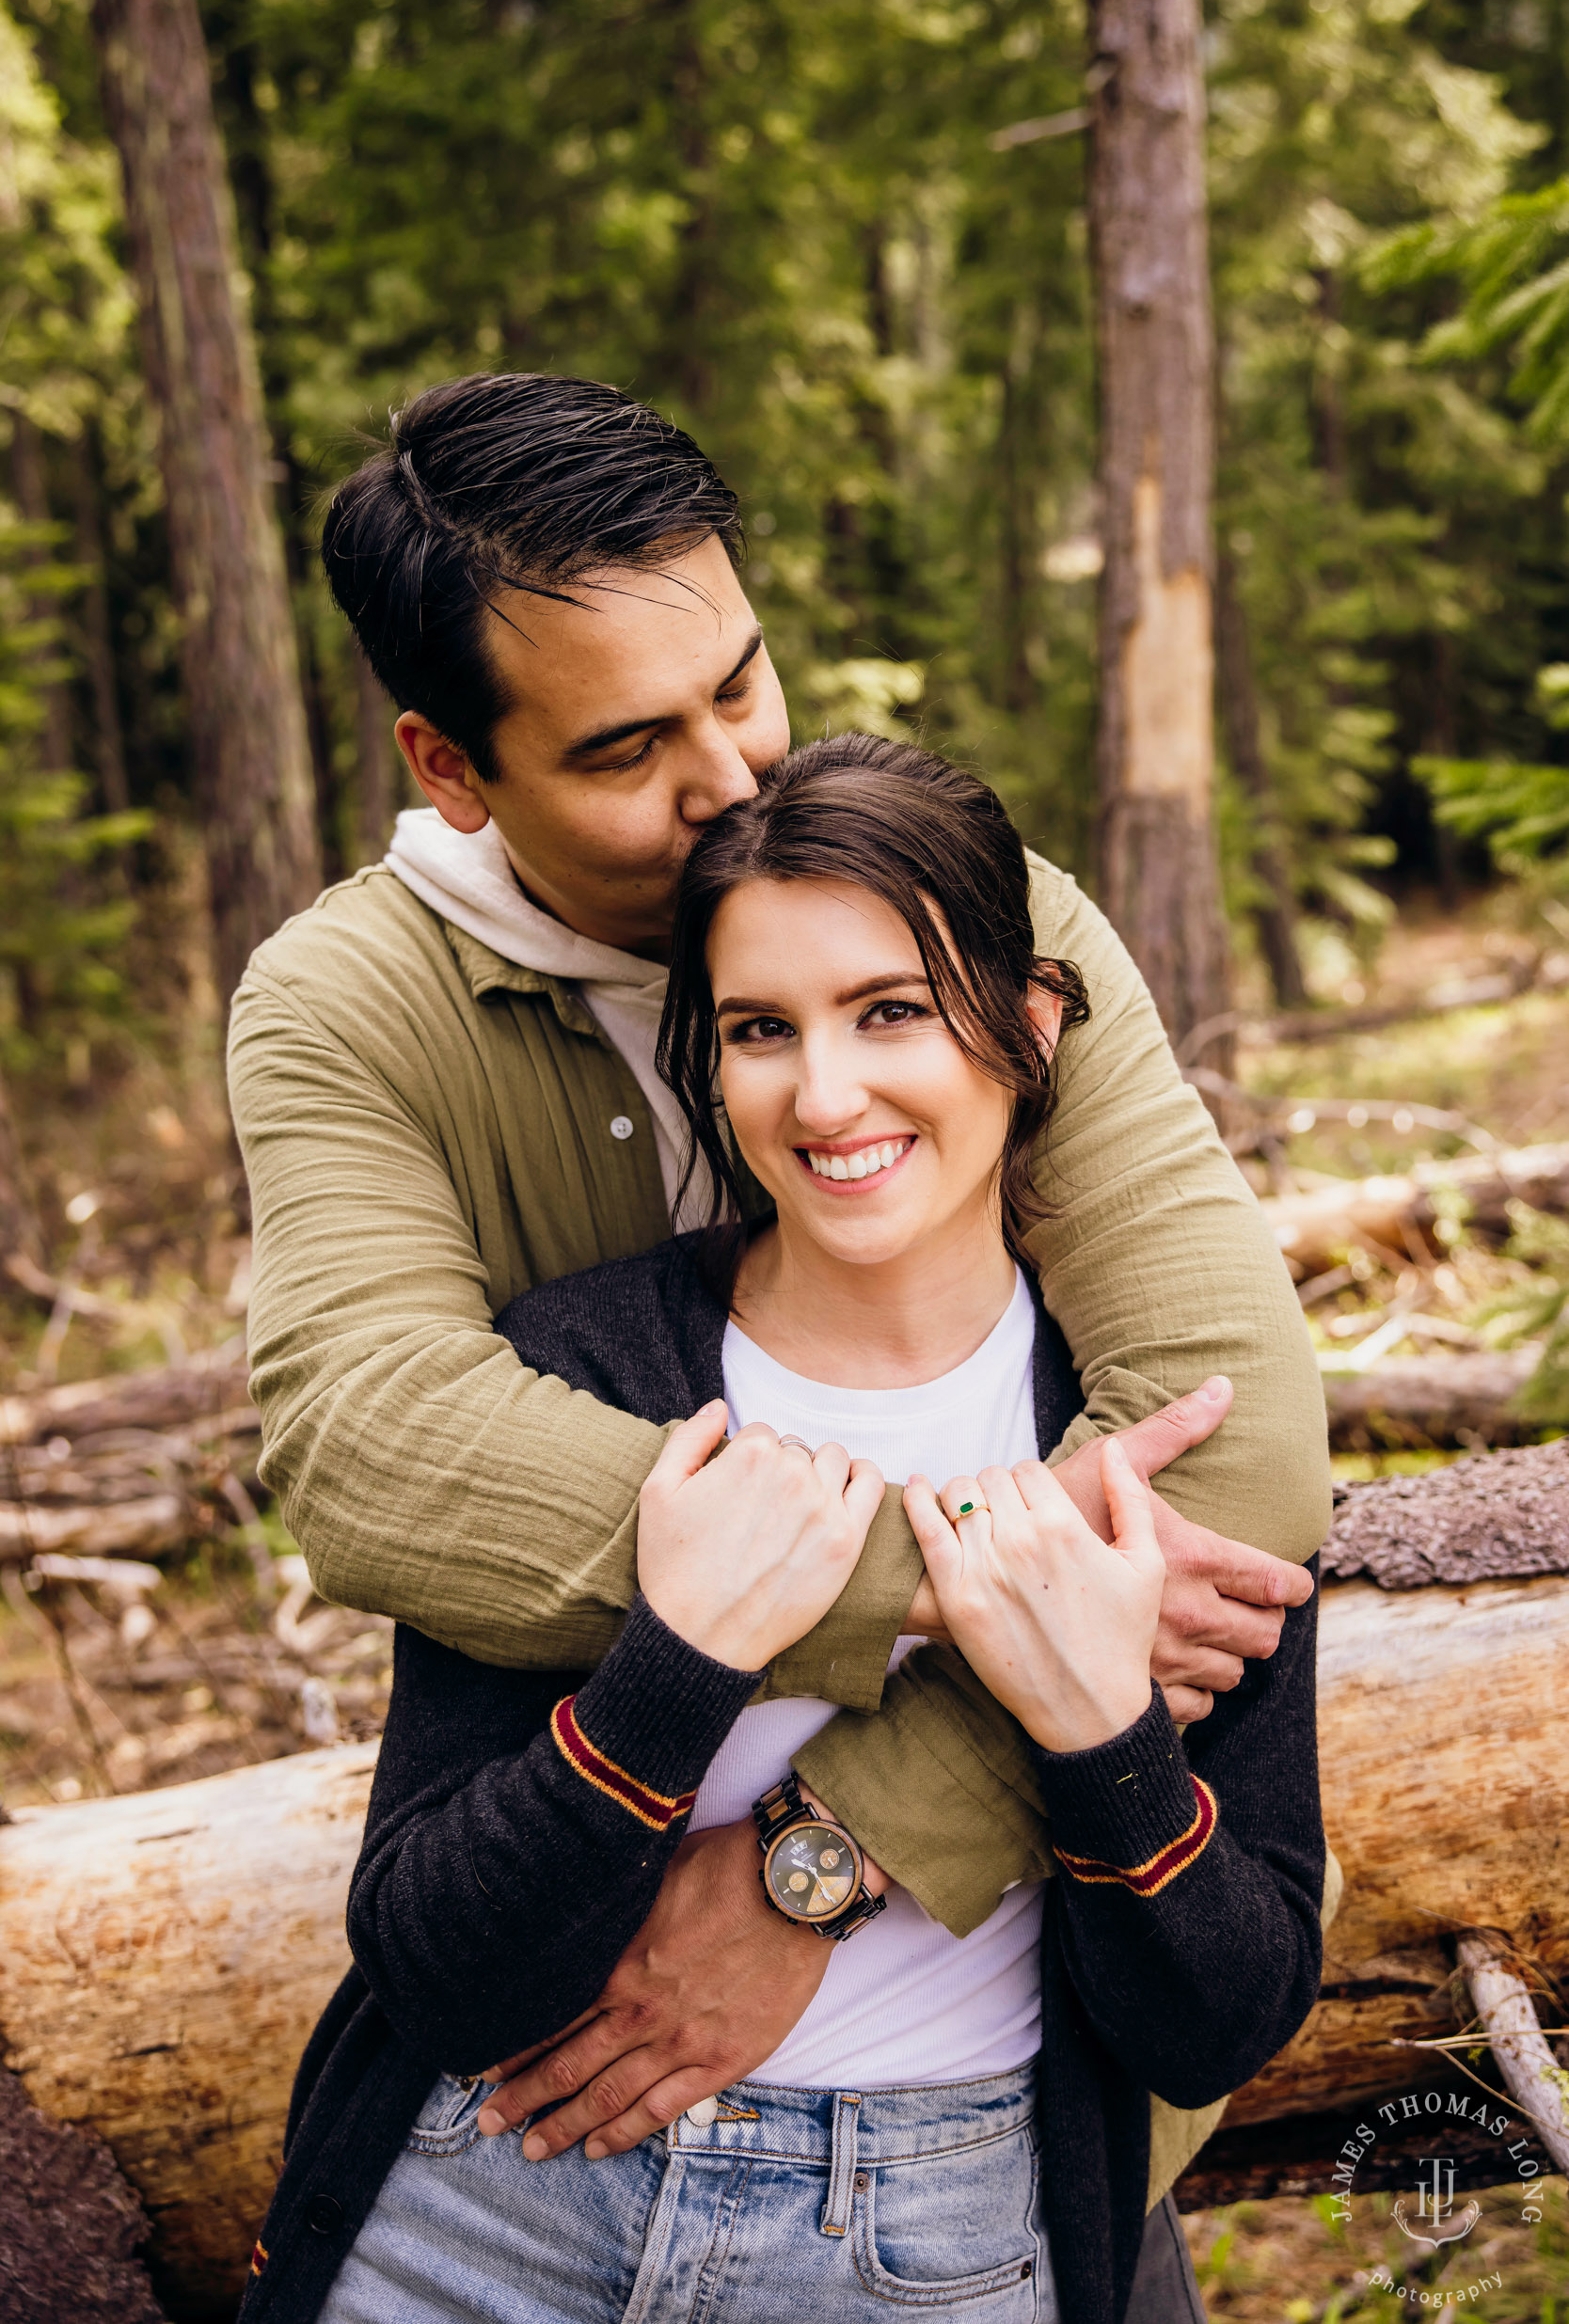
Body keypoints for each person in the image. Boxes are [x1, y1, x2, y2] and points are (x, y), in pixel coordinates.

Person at [228, 372, 1329, 2190]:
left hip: (1000, 2059)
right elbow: (373, 1451)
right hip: (538, 1944)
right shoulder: (346, 1007)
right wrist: (957, 1575)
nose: (731, 775)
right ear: (450, 764)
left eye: (740, 681)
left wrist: (825, 1858)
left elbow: (1237, 1452)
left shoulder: (988, 919)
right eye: (621, 749)